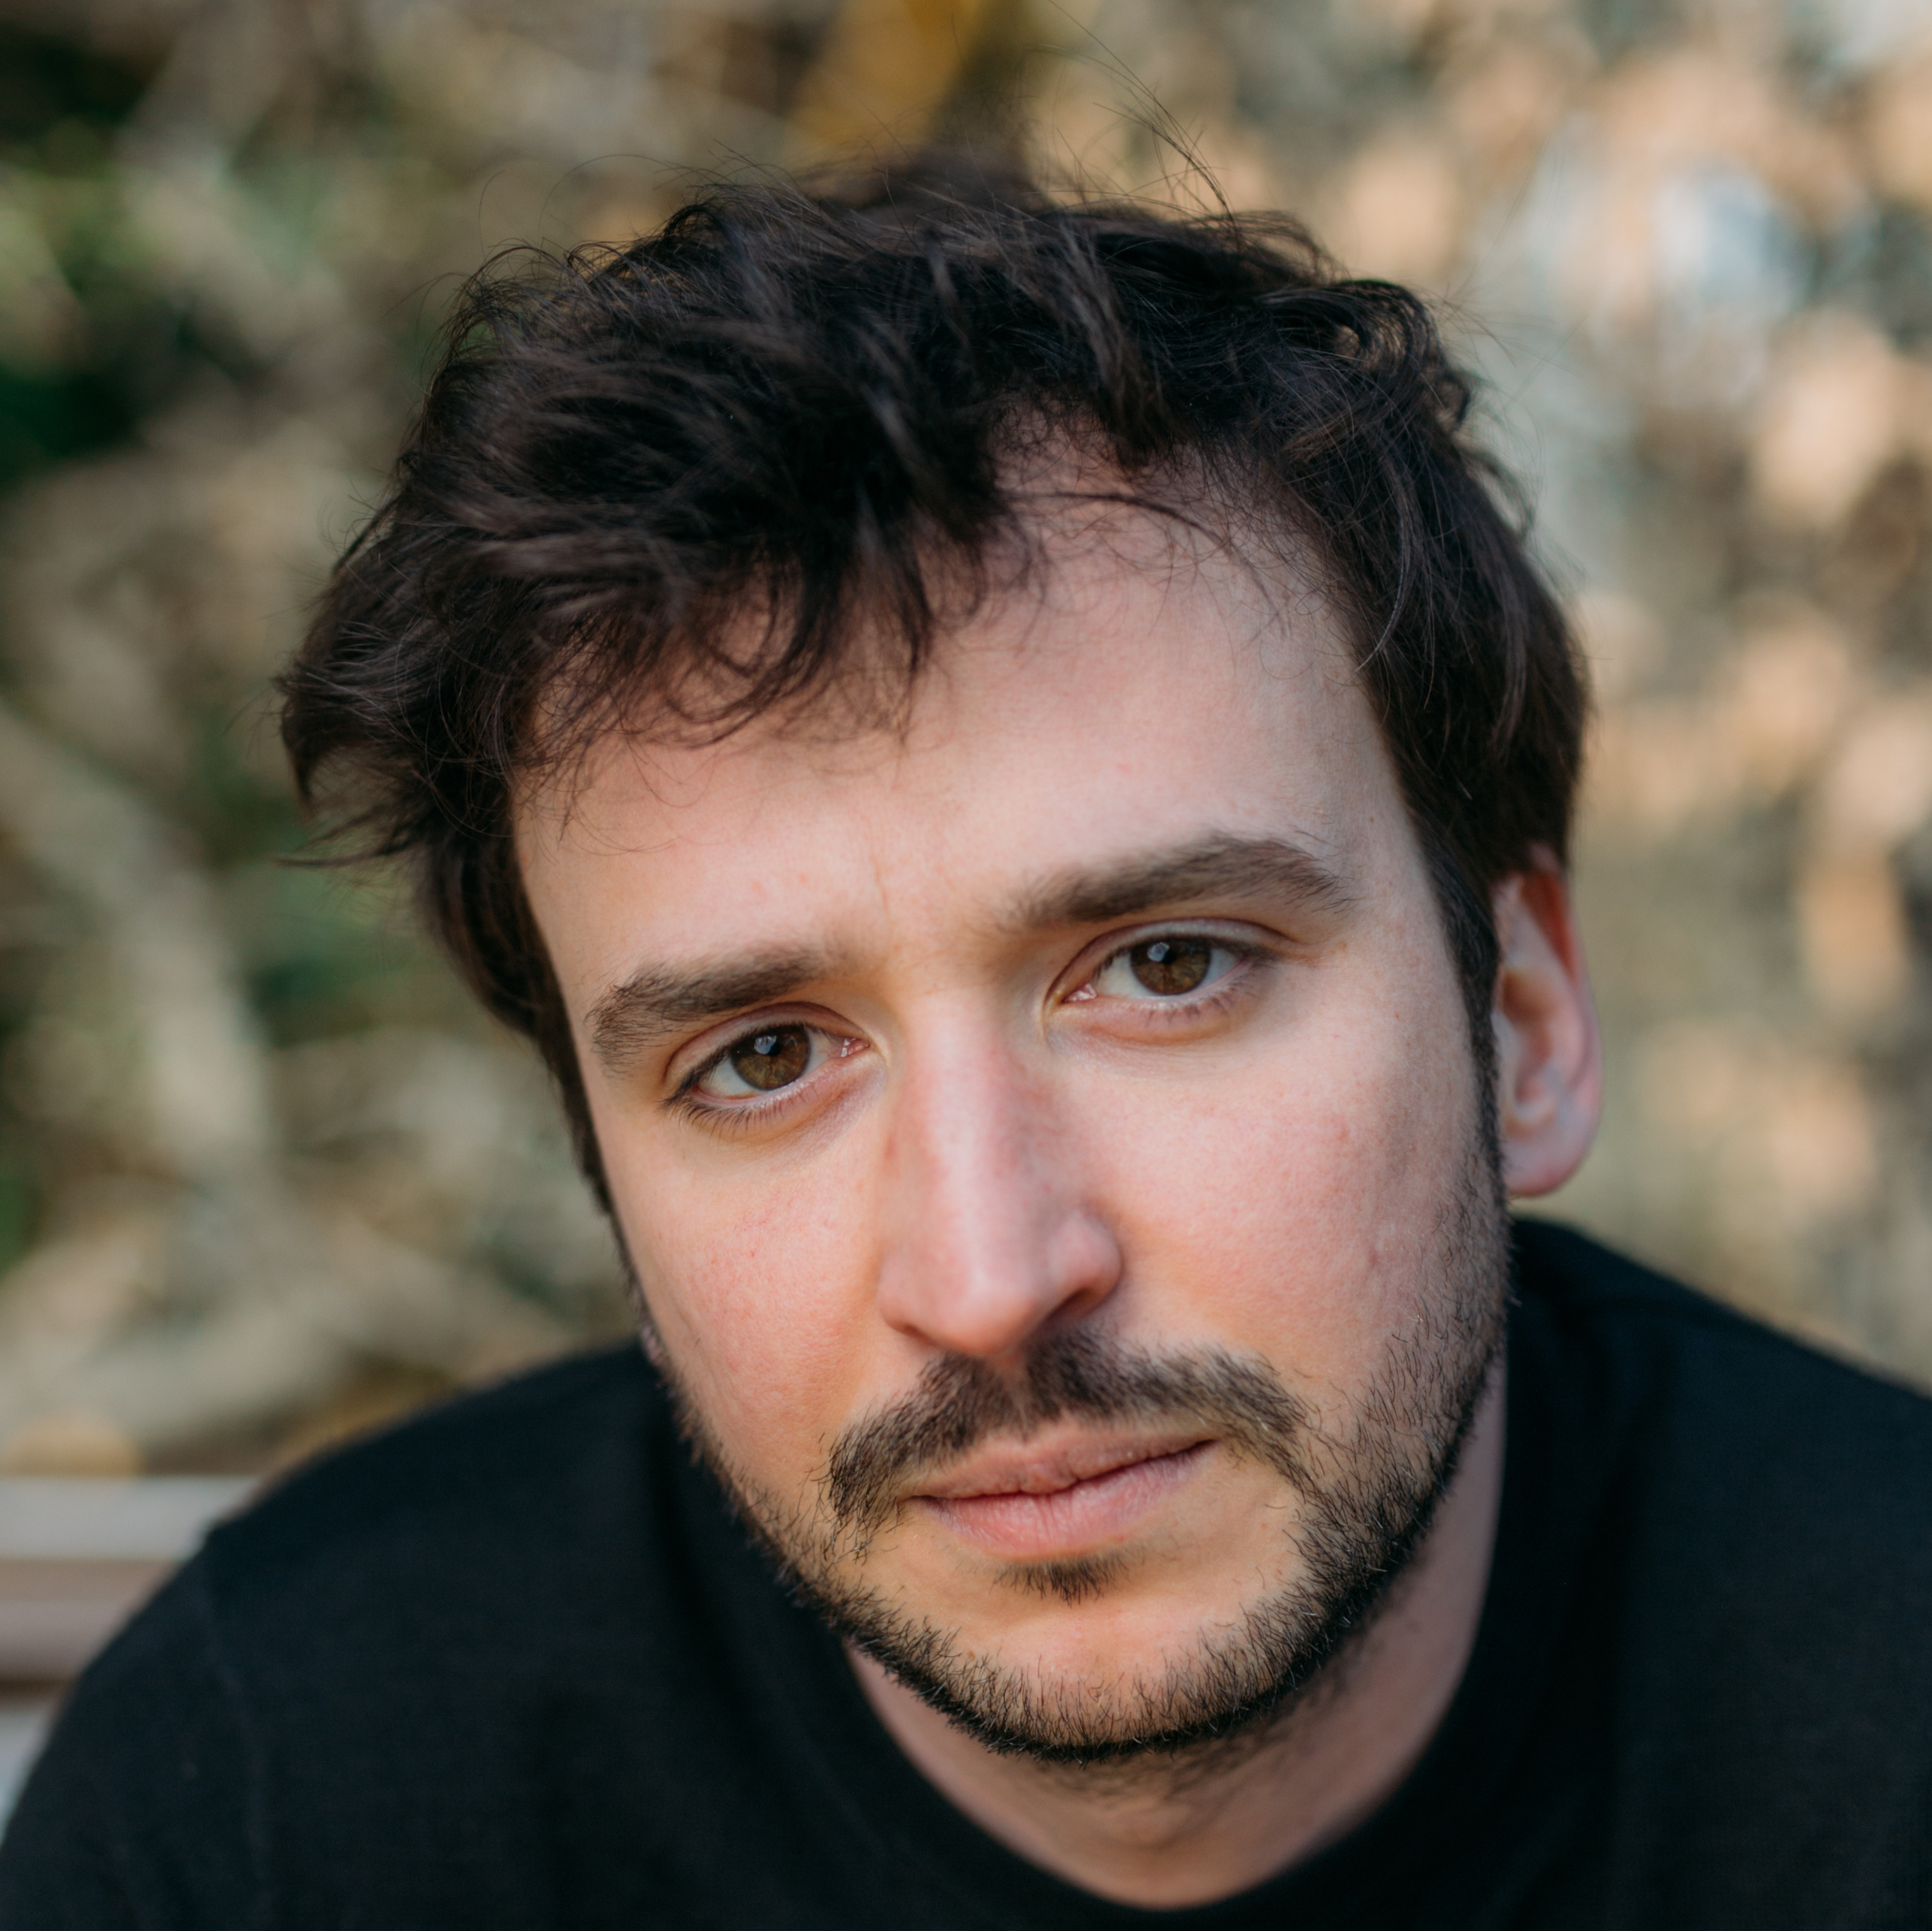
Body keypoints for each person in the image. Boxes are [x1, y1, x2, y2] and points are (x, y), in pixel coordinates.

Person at [4, 158, 1930, 1929]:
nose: (994, 1279)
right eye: (763, 1060)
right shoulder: (271, 1809)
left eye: (1167, 964)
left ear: (1522, 1026)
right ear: (608, 1181)